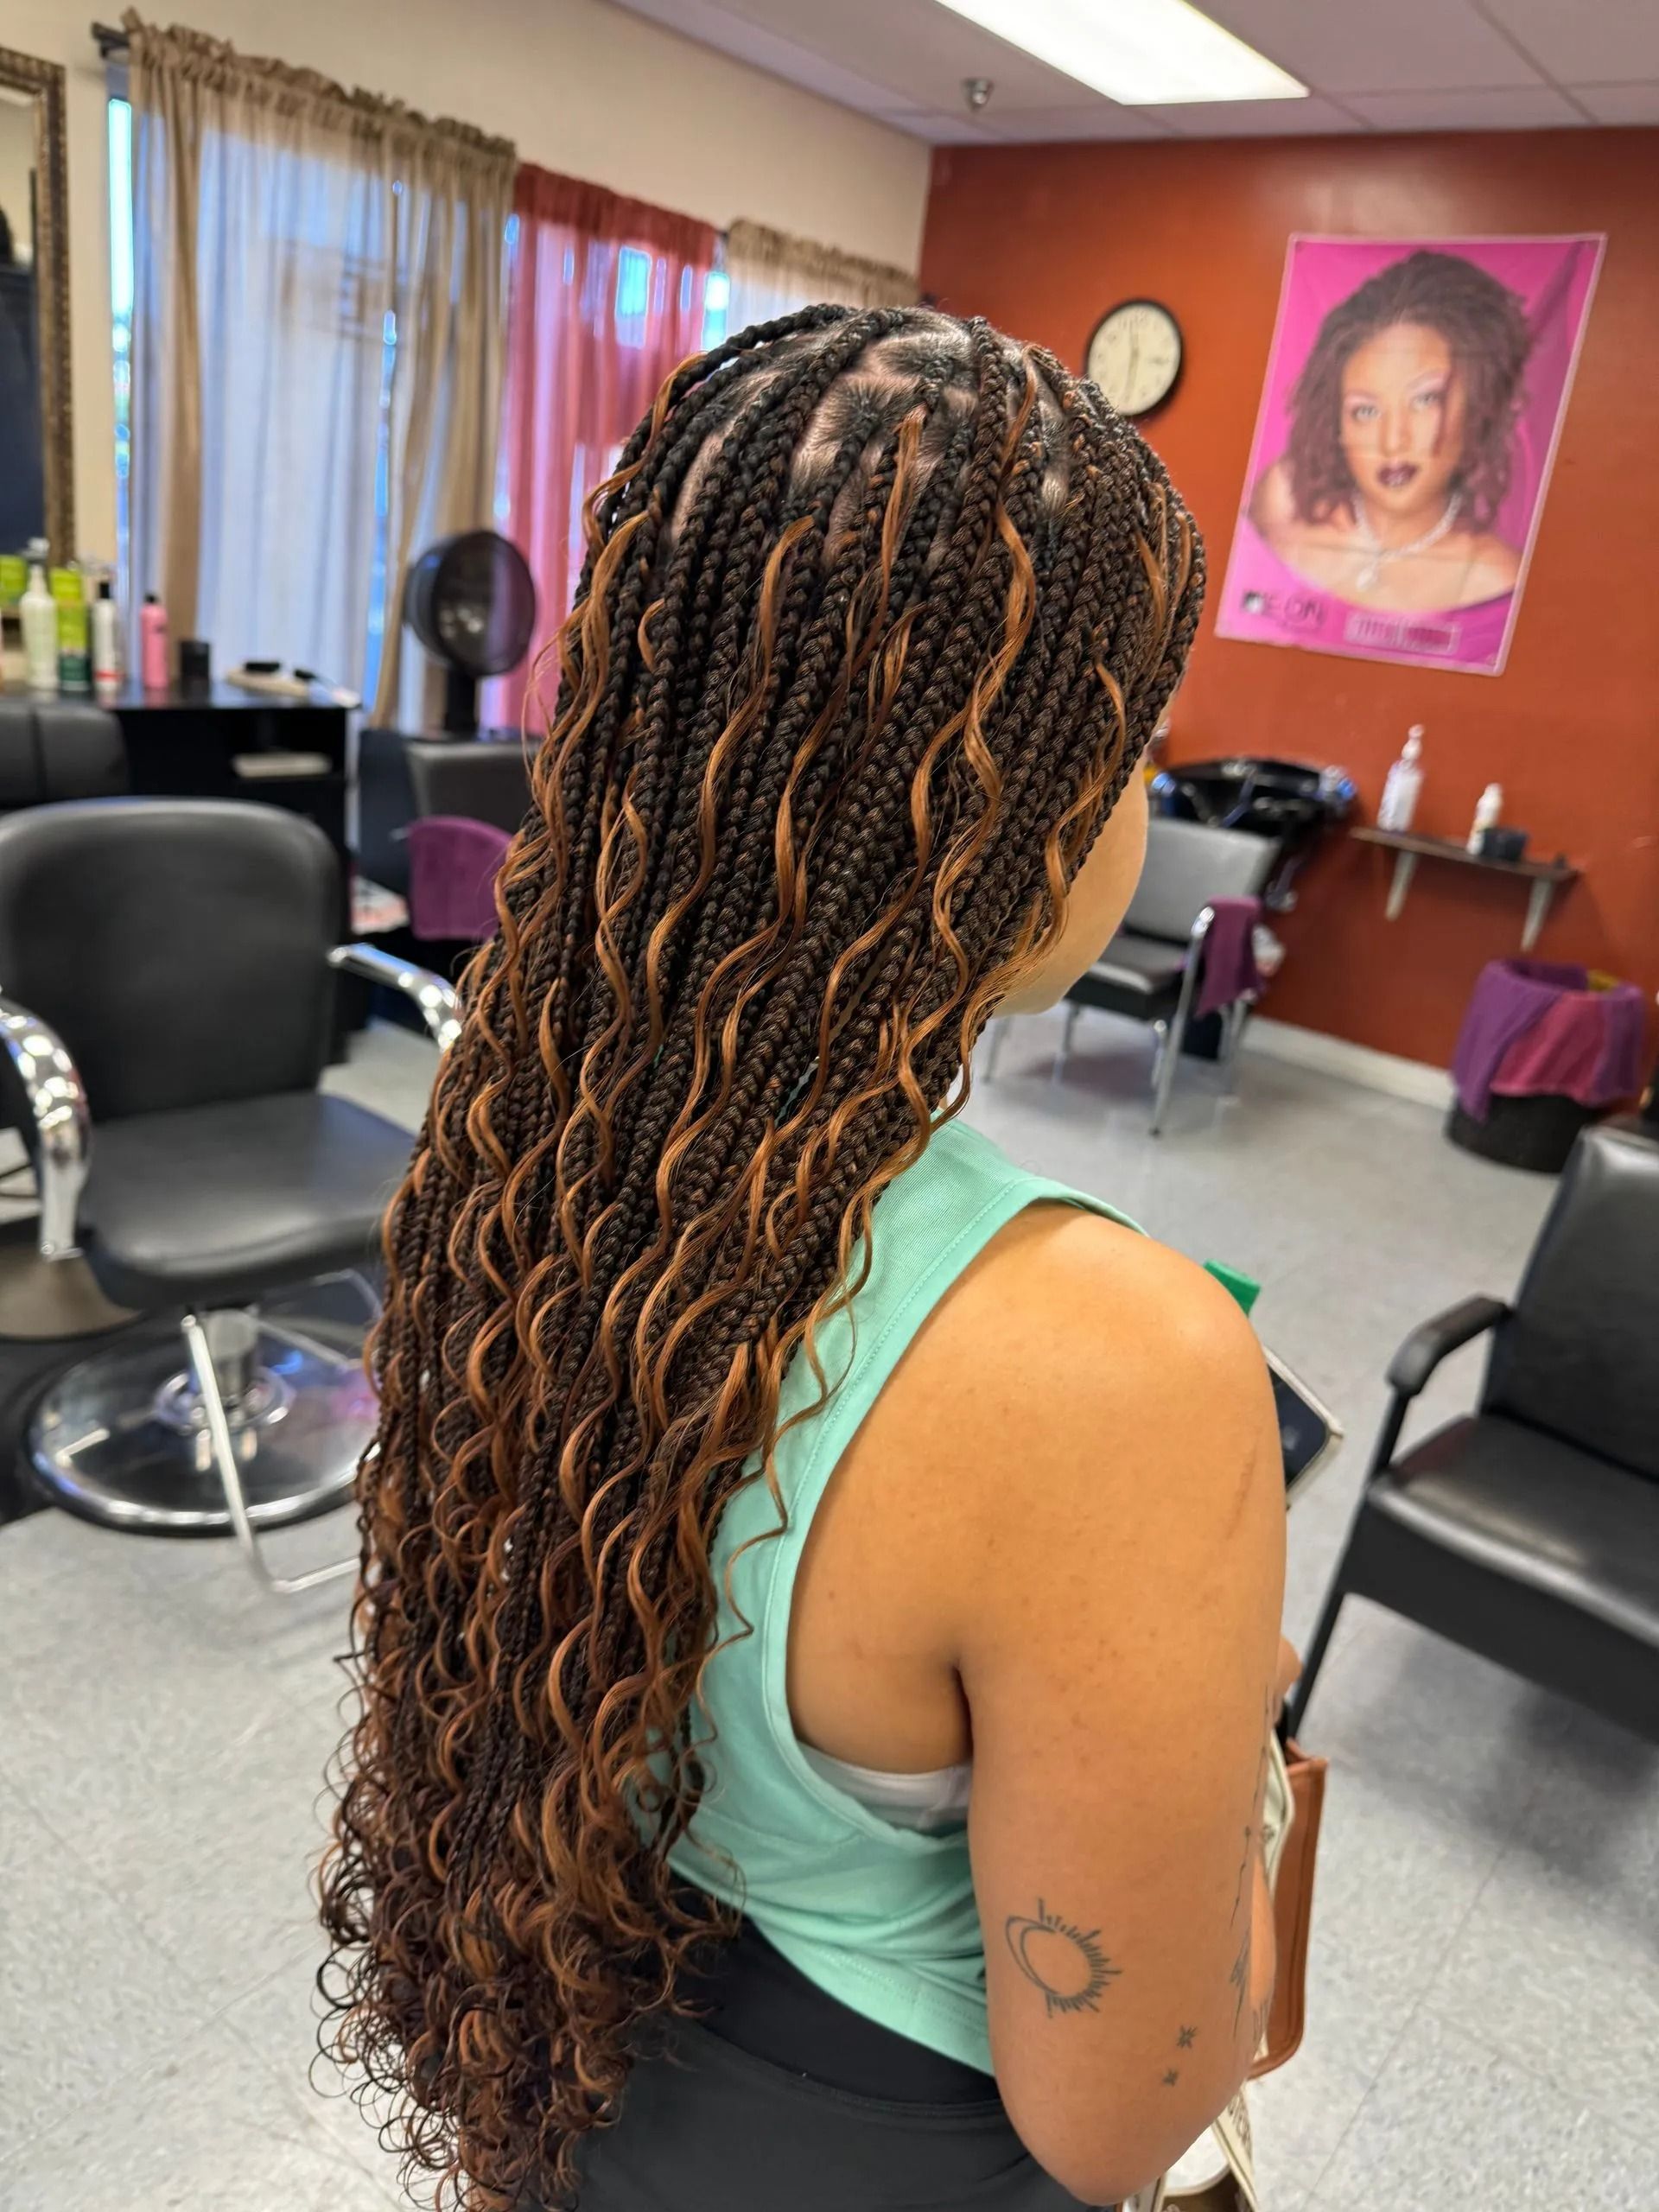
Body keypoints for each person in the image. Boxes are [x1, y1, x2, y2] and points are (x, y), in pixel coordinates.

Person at [322, 305, 1292, 2212]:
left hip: (566, 2039)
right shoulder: (1113, 1366)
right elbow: (1126, 2117)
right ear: (1027, 795)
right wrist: (1201, 1750)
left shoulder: (522, 1132)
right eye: (1139, 738)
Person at [1249, 248, 1532, 613]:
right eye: (1365, 411)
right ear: (1335, 421)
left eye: (1424, 400)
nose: (1393, 441)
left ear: (1477, 405)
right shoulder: (1283, 512)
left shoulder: (1495, 577)